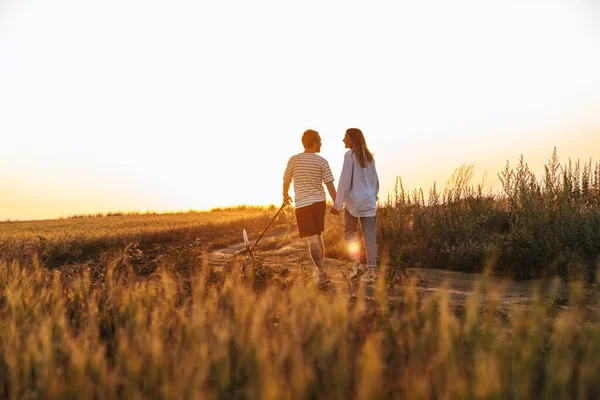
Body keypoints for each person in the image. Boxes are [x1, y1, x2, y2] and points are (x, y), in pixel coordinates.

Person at [283, 129, 337, 287]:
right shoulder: (322, 162)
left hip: (303, 205)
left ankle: (321, 274)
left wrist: (285, 195)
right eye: (319, 141)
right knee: (318, 236)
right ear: (314, 143)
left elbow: (286, 180)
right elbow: (330, 186)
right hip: (319, 203)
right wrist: (337, 203)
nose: (321, 143)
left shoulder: (293, 160)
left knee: (313, 240)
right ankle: (320, 270)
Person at [330, 128, 379, 283]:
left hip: (354, 203)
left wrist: (338, 204)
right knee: (370, 238)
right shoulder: (370, 157)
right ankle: (371, 272)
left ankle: (357, 265)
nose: (343, 140)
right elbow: (375, 182)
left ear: (352, 140)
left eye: (345, 138)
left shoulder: (349, 156)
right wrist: (373, 196)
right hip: (369, 202)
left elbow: (344, 182)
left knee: (349, 233)